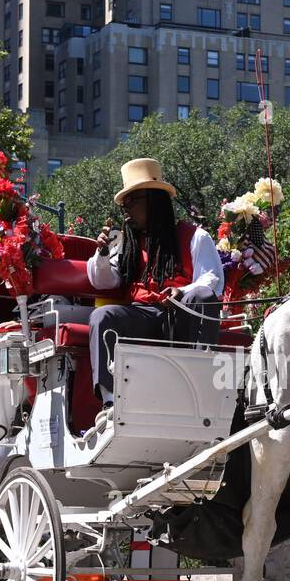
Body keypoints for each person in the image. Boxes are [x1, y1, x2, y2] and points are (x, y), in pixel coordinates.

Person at [86, 158, 224, 426]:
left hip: (179, 318)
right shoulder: (127, 242)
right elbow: (102, 281)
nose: (125, 210)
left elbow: (212, 279)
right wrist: (101, 253)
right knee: (103, 317)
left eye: (132, 202)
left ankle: (200, 385)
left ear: (153, 201)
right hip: (141, 317)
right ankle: (110, 402)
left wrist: (182, 292)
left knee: (203, 297)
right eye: (123, 204)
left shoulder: (195, 237)